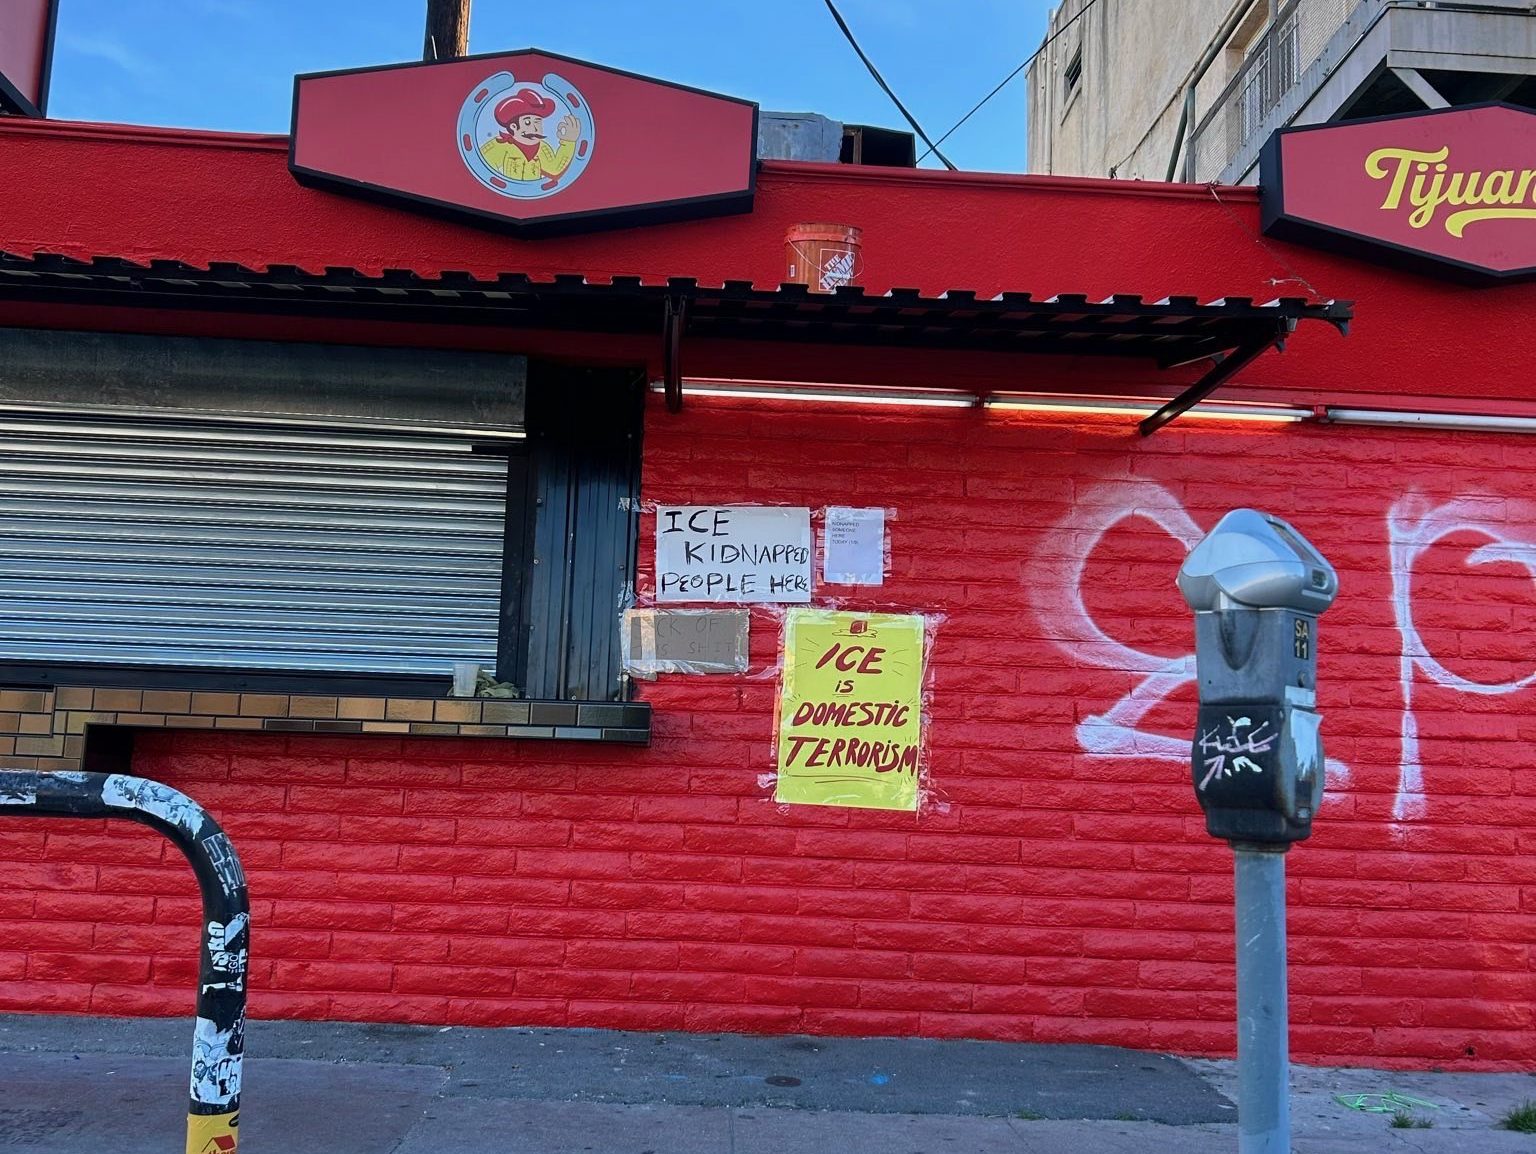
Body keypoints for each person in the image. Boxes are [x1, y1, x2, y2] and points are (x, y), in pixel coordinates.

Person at [478, 88, 579, 182]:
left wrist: (569, 141)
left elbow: (554, 170)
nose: (535, 128)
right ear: (513, 127)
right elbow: (481, 167)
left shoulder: (543, 148)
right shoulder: (500, 144)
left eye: (537, 122)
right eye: (527, 123)